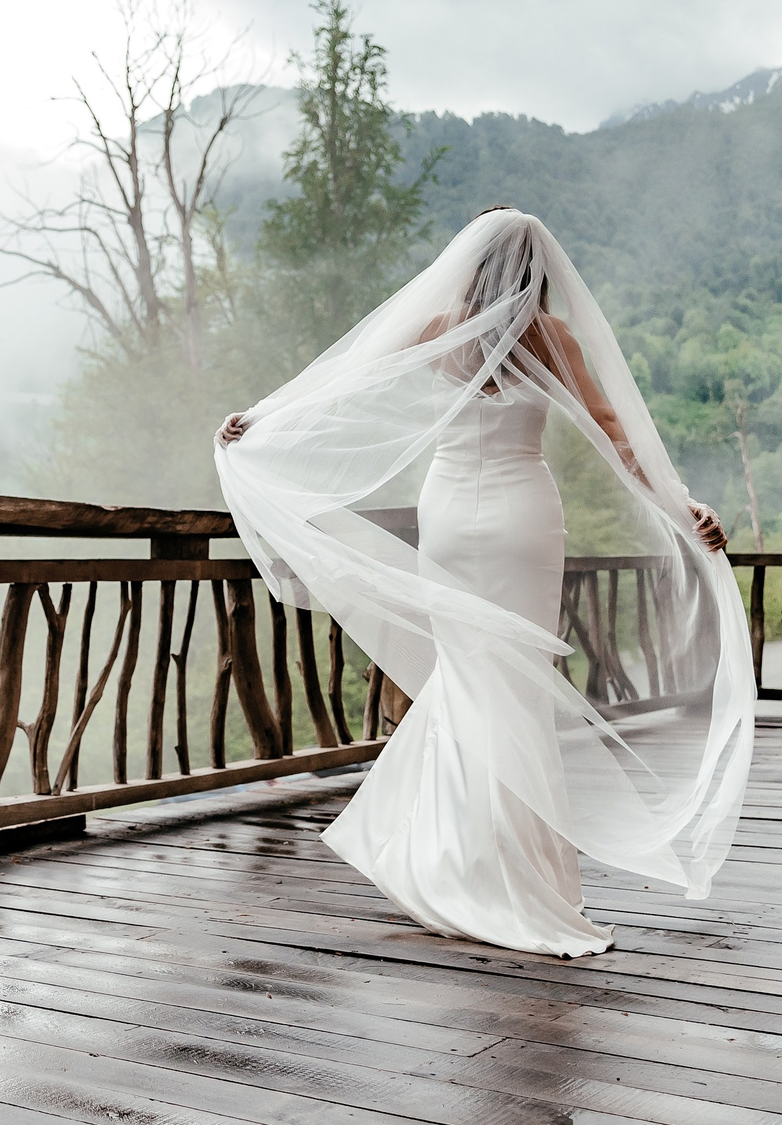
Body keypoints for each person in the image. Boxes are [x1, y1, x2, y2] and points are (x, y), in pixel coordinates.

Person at [215, 206, 752, 956]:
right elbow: (620, 438)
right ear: (538, 272)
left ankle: (453, 860)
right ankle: (508, 872)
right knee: (514, 685)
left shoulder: (436, 330)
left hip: (448, 515)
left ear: (470, 265)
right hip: (521, 517)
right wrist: (682, 502)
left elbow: (343, 385)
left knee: (468, 678)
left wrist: (263, 419)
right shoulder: (551, 337)